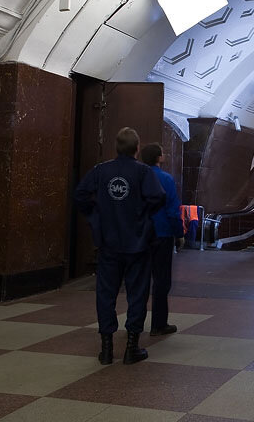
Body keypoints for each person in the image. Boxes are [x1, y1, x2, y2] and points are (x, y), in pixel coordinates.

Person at [75, 127, 165, 366]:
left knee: (106, 294)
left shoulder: (101, 171)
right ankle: (131, 347)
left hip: (108, 244)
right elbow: (158, 197)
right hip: (137, 243)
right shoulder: (143, 172)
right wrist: (142, 216)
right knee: (137, 294)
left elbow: (80, 195)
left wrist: (96, 217)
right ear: (137, 148)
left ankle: (106, 348)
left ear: (116, 147)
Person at [139, 142, 185, 336]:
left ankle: (136, 322)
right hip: (163, 233)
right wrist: (179, 233)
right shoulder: (166, 179)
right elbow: (172, 210)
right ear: (159, 158)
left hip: (139, 234)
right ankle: (159, 323)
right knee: (161, 279)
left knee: (139, 280)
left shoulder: (137, 177)